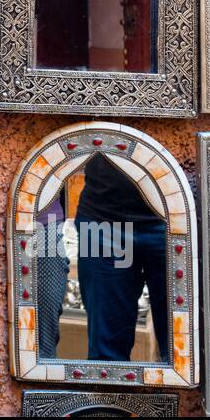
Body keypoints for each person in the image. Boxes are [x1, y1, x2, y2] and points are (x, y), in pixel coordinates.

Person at [73, 153, 170, 363]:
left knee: (184, 346)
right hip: (102, 221)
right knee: (106, 353)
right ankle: (106, 397)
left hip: (176, 217)